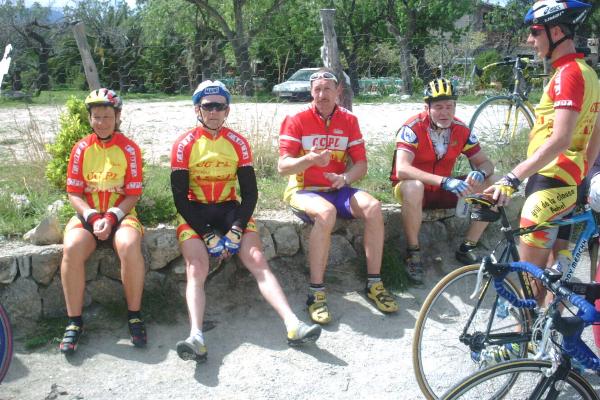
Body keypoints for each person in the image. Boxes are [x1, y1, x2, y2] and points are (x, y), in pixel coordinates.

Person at [170, 80, 321, 362]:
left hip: (229, 208)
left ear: (227, 110)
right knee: (196, 266)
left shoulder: (237, 142)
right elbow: (180, 199)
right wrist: (206, 234)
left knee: (256, 259)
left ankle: (293, 324)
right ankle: (196, 337)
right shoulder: (184, 144)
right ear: (197, 110)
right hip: (195, 210)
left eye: (220, 106)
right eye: (208, 106)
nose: (214, 112)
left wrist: (237, 229)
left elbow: (250, 194)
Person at [486, 0, 600, 304]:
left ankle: (526, 342)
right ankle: (546, 346)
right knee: (555, 277)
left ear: (557, 31)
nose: (529, 39)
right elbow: (596, 136)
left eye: (535, 31)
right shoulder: (589, 74)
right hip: (567, 183)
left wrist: (512, 176)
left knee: (529, 285)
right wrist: (581, 179)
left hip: (548, 183)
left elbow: (560, 140)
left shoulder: (568, 75)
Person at [278, 68, 399, 325]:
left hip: (338, 189)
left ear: (338, 91)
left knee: (374, 207)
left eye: (327, 89)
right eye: (317, 89)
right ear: (311, 92)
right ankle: (316, 293)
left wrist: (345, 178)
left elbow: (361, 165)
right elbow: (283, 167)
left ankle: (374, 284)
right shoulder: (295, 118)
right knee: (326, 213)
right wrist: (309, 159)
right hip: (304, 190)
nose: (322, 94)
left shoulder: (349, 120)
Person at [59, 88, 146, 354]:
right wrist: (93, 216)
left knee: (130, 245)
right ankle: (74, 322)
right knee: (72, 247)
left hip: (121, 214)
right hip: (88, 215)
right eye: (96, 117)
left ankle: (134, 316)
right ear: (90, 119)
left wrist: (110, 217)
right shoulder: (81, 148)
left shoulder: (130, 149)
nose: (101, 122)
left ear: (117, 117)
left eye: (107, 116)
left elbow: (133, 193)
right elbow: (74, 192)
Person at [391, 78, 495, 283]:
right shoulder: (412, 127)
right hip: (415, 189)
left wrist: (480, 173)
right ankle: (413, 252)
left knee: (494, 183)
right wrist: (444, 181)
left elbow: (486, 163)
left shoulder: (461, 129)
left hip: (444, 188)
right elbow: (402, 169)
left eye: (450, 106)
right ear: (426, 108)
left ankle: (468, 247)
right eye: (438, 107)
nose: (445, 112)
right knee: (414, 186)